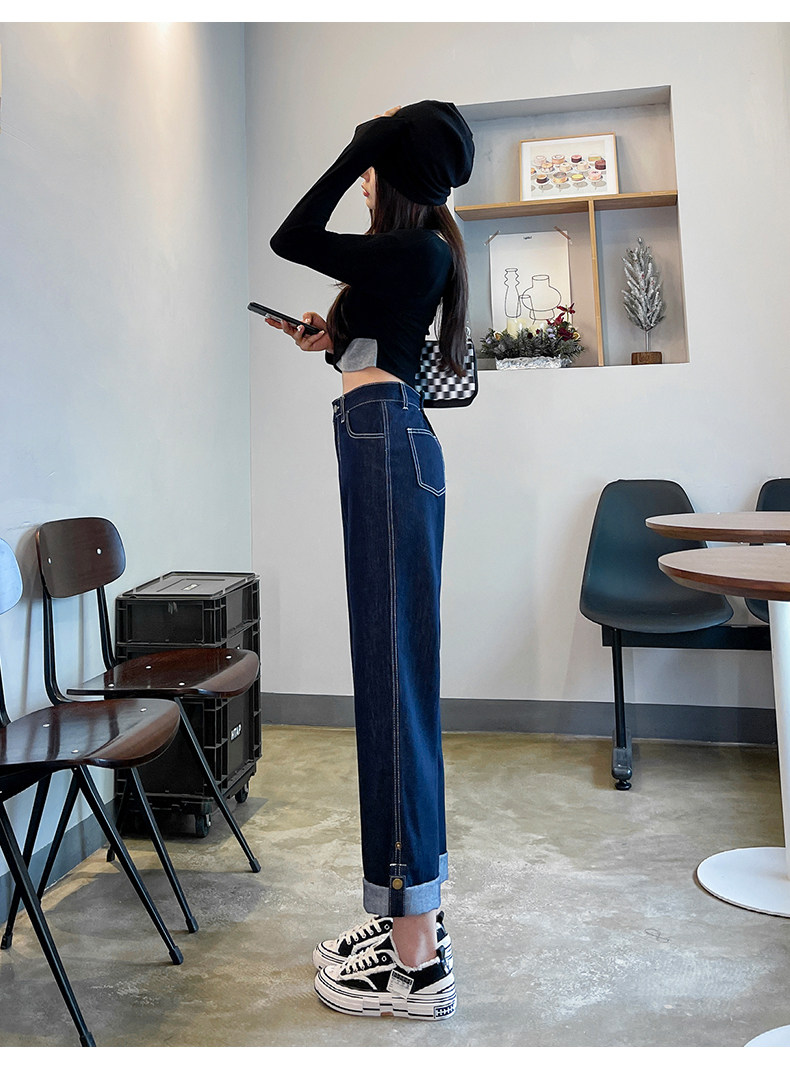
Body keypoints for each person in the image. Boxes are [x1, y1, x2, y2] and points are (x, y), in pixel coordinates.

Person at [267, 100, 474, 1020]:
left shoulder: (417, 248)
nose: (359, 177)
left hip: (385, 444)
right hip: (380, 434)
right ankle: (409, 920)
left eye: (371, 163)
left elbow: (289, 235)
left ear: (394, 164)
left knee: (392, 688)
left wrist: (364, 139)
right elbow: (375, 349)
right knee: (394, 682)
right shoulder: (407, 254)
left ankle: (415, 960)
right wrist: (329, 342)